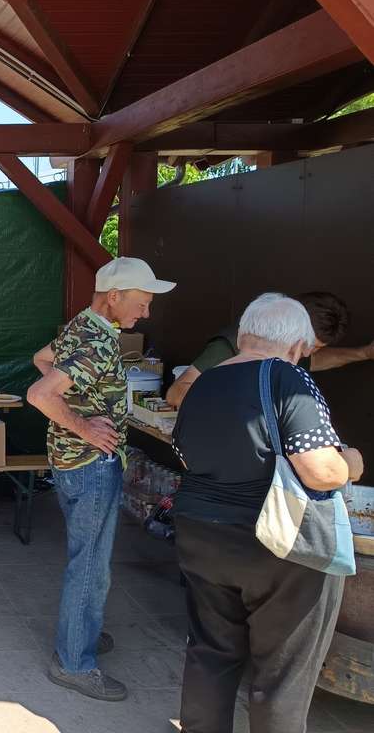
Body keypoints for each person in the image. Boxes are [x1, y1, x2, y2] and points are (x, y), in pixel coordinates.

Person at [170, 293, 363, 733]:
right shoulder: (288, 377)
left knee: (210, 653)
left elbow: (183, 451)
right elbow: (320, 471)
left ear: (243, 336)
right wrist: (351, 461)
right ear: (297, 346)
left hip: (201, 534)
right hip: (276, 542)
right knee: (282, 674)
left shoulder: (201, 383)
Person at [27, 256, 176, 701]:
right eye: (141, 303)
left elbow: (42, 359)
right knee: (90, 565)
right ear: (114, 296)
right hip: (90, 464)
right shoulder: (96, 342)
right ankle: (74, 661)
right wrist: (84, 425)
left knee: (87, 559)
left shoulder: (83, 325)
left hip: (70, 462)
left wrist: (78, 401)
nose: (146, 313)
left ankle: (81, 629)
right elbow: (39, 393)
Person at [167, 291, 374, 407]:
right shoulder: (235, 342)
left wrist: (363, 353)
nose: (306, 353)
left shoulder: (294, 349)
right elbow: (176, 393)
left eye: (316, 348)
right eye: (308, 345)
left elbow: (314, 360)